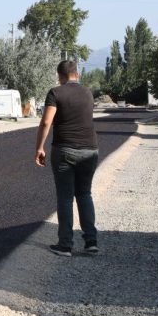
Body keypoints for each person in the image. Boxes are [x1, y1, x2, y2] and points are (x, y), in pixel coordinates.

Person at [34, 60, 99, 257]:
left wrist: (39, 147)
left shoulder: (56, 93)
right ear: (77, 75)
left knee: (65, 197)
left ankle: (65, 245)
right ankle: (91, 241)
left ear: (60, 76)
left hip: (65, 150)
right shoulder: (88, 93)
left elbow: (46, 121)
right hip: (90, 149)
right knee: (84, 194)